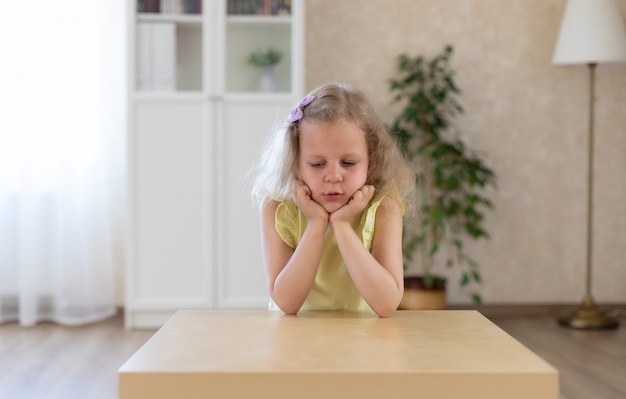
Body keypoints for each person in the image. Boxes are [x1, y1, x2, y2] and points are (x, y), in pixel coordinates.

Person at [251, 83, 415, 318]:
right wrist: (317, 224)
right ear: (295, 161)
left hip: (362, 340)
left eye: (348, 163)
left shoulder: (384, 207)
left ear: (373, 160)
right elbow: (287, 302)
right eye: (317, 164)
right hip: (293, 341)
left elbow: (387, 303)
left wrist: (341, 225)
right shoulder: (276, 206)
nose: (334, 176)